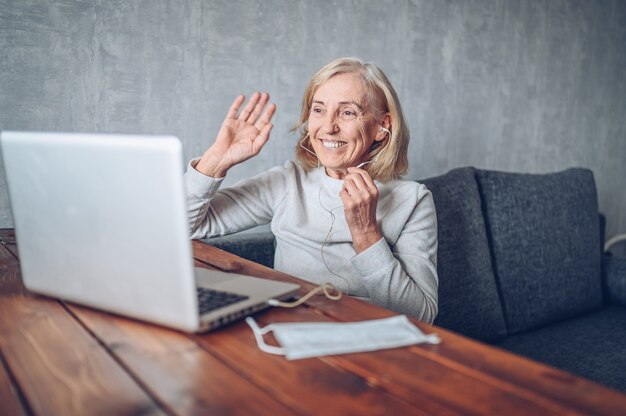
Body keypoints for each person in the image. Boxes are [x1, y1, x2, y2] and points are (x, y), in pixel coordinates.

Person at [185, 57, 438, 323]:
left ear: (381, 126)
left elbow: (421, 315)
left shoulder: (413, 200)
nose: (328, 127)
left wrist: (366, 234)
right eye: (318, 110)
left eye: (347, 112)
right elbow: (184, 226)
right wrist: (215, 160)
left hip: (368, 336)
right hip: (291, 327)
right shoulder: (287, 181)